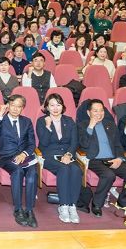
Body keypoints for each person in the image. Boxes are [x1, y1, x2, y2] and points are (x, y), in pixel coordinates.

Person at [77, 99, 126, 216]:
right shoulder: (82, 125)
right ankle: (97, 204)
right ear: (89, 113)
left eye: (101, 110)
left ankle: (123, 201)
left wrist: (119, 158)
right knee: (109, 175)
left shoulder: (110, 125)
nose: (99, 113)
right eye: (95, 111)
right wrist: (91, 126)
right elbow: (84, 144)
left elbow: (118, 145)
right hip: (95, 160)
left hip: (112, 159)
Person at [0, 94, 38, 228]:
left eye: (19, 106)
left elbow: (32, 143)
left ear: (22, 108)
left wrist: (24, 154)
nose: (16, 109)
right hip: (7, 157)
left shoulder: (26, 121)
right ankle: (18, 209)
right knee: (17, 171)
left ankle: (29, 210)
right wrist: (0, 114)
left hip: (25, 157)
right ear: (8, 106)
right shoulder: (2, 120)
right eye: (13, 105)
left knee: (32, 174)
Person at [36, 93, 82, 224]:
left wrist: (69, 154)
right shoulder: (41, 121)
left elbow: (74, 142)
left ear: (62, 106)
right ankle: (63, 206)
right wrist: (48, 127)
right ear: (47, 107)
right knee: (64, 169)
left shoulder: (69, 121)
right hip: (49, 155)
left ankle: (72, 206)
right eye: (52, 105)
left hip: (67, 155)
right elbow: (44, 142)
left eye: (58, 105)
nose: (55, 108)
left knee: (76, 170)